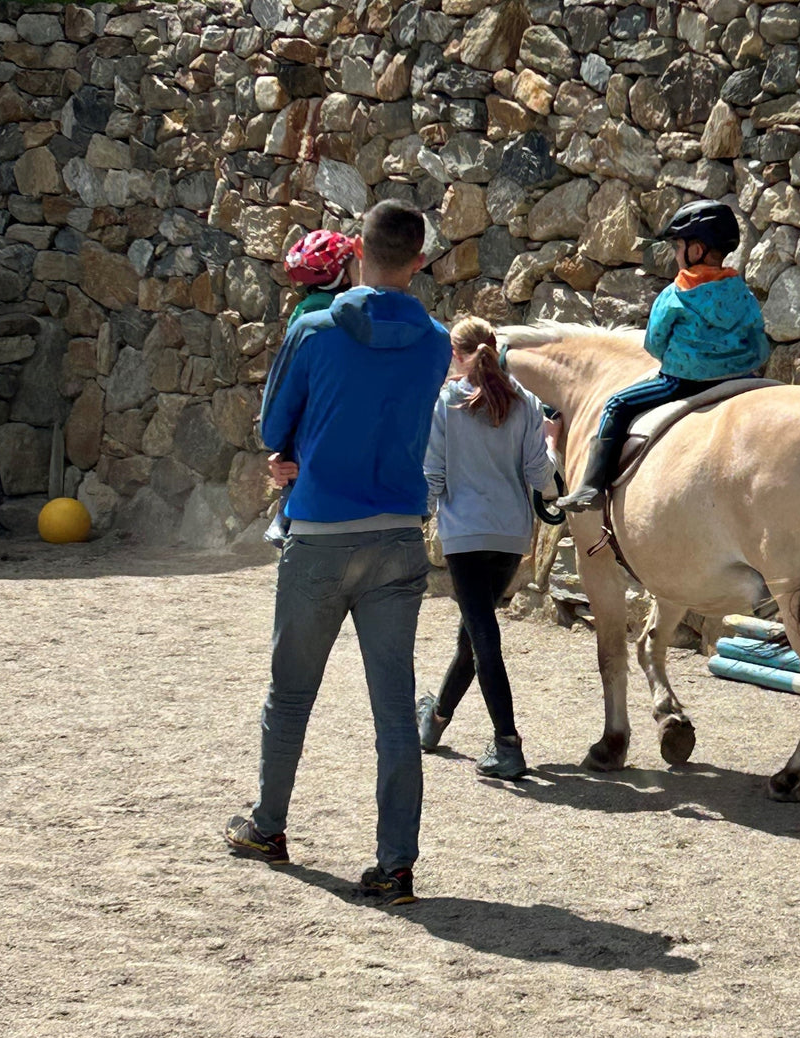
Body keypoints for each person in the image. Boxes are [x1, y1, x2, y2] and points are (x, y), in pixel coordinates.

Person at [225, 202, 452, 907]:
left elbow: (272, 424)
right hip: (396, 537)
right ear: (418, 261)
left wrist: (289, 455)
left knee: (289, 694)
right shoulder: (438, 342)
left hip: (320, 531)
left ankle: (268, 827)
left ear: (356, 251)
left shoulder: (313, 329)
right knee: (392, 713)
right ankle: (395, 866)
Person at [554, 200, 769, 513]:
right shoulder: (742, 293)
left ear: (696, 250)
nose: (676, 253)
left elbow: (654, 344)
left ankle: (591, 486)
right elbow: (759, 343)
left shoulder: (674, 294)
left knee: (617, 405)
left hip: (683, 382)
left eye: (678, 246)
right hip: (741, 378)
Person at [416, 317, 558, 781]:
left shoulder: (446, 404)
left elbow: (433, 474)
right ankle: (433, 721)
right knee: (472, 636)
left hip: (464, 537)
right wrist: (553, 453)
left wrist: (417, 519)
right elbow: (541, 478)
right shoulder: (527, 403)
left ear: (457, 355)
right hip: (511, 536)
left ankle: (508, 745)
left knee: (483, 637)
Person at [267, 230, 362, 546]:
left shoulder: (304, 312)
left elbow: (287, 393)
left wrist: (279, 446)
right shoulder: (344, 311)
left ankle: (284, 517)